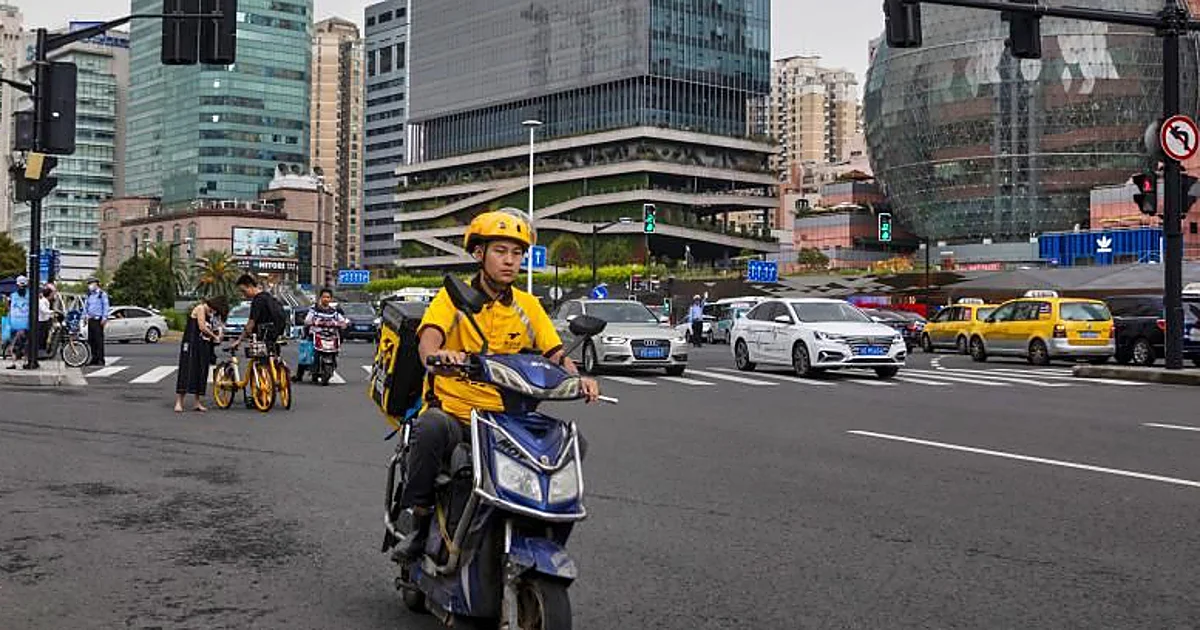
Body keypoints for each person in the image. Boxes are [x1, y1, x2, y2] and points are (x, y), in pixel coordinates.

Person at [393, 209, 601, 559]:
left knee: (570, 443)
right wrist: (441, 355)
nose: (509, 261)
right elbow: (427, 342)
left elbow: (554, 353)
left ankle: (539, 526)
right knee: (429, 427)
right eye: (500, 251)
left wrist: (577, 377)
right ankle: (418, 519)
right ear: (479, 254)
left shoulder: (528, 305)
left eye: (516, 253)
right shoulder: (452, 298)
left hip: (508, 417)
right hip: (457, 413)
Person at [174, 296, 229, 413]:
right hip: (192, 344)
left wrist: (219, 333)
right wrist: (214, 336)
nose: (214, 312)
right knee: (186, 370)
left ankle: (197, 402)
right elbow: (202, 327)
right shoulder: (200, 308)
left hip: (204, 346)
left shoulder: (212, 315)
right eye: (215, 310)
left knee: (201, 372)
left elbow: (218, 328)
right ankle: (179, 402)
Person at [294, 288, 348, 383]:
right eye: (324, 297)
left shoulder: (334, 312)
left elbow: (343, 321)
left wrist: (344, 324)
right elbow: (307, 320)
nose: (326, 299)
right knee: (306, 353)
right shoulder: (314, 309)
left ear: (331, 299)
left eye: (328, 297)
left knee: (335, 350)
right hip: (315, 335)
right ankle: (299, 375)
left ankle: (331, 365)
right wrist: (312, 322)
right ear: (320, 298)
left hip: (330, 337)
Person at [230, 274, 286, 351]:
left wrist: (239, 340)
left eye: (244, 291)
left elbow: (251, 323)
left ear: (250, 286)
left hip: (264, 340)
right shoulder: (269, 297)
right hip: (275, 336)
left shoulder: (257, 300)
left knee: (261, 361)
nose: (243, 295)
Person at [83, 277, 110, 367]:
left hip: (98, 320)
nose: (90, 286)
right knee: (91, 340)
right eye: (89, 284)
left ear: (96, 284)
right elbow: (86, 307)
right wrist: (85, 317)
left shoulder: (102, 294)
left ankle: (100, 359)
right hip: (90, 319)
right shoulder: (89, 295)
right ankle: (94, 358)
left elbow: (106, 306)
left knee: (99, 340)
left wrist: (104, 317)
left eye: (91, 283)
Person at [6, 276, 30, 368]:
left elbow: (9, 308)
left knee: (14, 344)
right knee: (24, 344)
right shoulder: (30, 295)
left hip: (16, 323)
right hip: (24, 323)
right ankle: (24, 362)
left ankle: (15, 362)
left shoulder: (12, 295)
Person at [37, 285, 55, 354]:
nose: (53, 295)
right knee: (41, 337)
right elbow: (43, 310)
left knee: (45, 337)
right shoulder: (42, 301)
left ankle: (43, 350)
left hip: (44, 321)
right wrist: (52, 312)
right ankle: (40, 351)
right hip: (41, 322)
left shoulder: (46, 301)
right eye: (52, 294)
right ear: (49, 294)